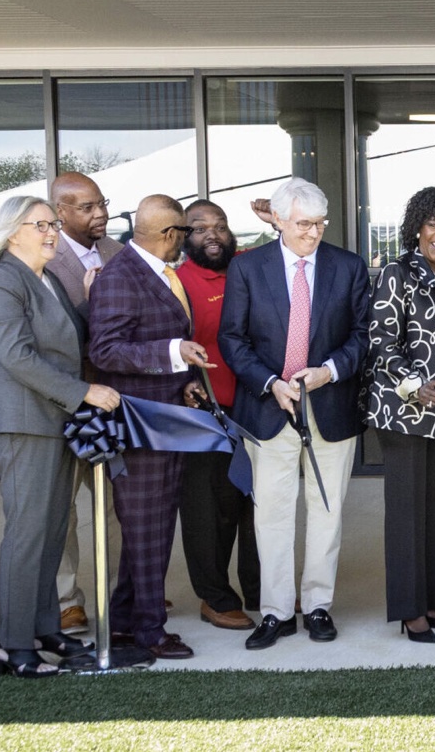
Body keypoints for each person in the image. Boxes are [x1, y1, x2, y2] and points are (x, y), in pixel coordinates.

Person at [0, 195, 118, 677]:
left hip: (56, 421)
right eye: (42, 224)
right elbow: (17, 357)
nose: (53, 232)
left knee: (54, 529)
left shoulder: (49, 278)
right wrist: (84, 393)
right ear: (13, 232)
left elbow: (69, 338)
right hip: (23, 422)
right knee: (26, 533)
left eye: (54, 224)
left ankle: (44, 628)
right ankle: (12, 649)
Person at [220, 179, 370, 649]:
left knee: (327, 512)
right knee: (272, 515)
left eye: (320, 224)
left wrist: (329, 371)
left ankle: (318, 605)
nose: (313, 233)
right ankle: (276, 611)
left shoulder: (348, 266)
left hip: (331, 406)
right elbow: (233, 339)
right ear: (278, 220)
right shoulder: (247, 268)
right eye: (304, 224)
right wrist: (272, 382)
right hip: (269, 407)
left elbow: (365, 334)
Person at [87, 194, 214, 661]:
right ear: (168, 234)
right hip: (139, 425)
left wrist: (186, 384)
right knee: (149, 528)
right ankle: (149, 631)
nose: (189, 240)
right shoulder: (122, 276)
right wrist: (173, 352)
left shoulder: (156, 272)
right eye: (185, 231)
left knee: (150, 526)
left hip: (164, 416)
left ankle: (123, 620)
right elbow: (106, 351)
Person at [365, 187, 435, 643]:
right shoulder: (398, 272)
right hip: (404, 409)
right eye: (433, 224)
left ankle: (432, 600)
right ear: (417, 227)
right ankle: (410, 611)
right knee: (406, 512)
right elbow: (381, 341)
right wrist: (415, 384)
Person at [175, 200, 260, 633]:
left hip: (258, 404)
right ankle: (215, 596)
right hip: (208, 409)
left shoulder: (248, 266)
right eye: (200, 227)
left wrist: (275, 221)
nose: (212, 234)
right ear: (182, 236)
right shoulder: (178, 281)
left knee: (257, 503)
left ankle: (263, 588)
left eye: (221, 226)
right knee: (209, 509)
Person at [45, 171, 125, 632]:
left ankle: (118, 592)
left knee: (117, 504)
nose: (101, 214)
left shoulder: (118, 253)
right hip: (62, 399)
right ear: (60, 211)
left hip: (114, 400)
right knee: (64, 506)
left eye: (102, 204)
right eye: (87, 207)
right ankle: (65, 600)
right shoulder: (42, 258)